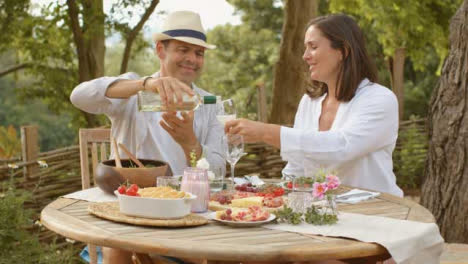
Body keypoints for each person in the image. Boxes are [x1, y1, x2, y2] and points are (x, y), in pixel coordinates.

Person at [70, 10, 224, 264]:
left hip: (181, 217)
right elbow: (79, 96)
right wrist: (144, 84)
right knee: (119, 246)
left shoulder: (209, 104)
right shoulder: (133, 90)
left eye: (199, 53)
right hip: (126, 210)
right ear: (160, 50)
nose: (192, 59)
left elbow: (217, 171)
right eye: (183, 50)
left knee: (199, 255)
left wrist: (190, 144)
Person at [225, 14, 403, 198]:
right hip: (321, 214)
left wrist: (265, 132)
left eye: (313, 47)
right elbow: (297, 165)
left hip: (378, 211)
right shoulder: (310, 102)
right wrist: (275, 196)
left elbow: (341, 147)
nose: (305, 56)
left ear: (343, 50)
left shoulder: (379, 99)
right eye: (305, 48)